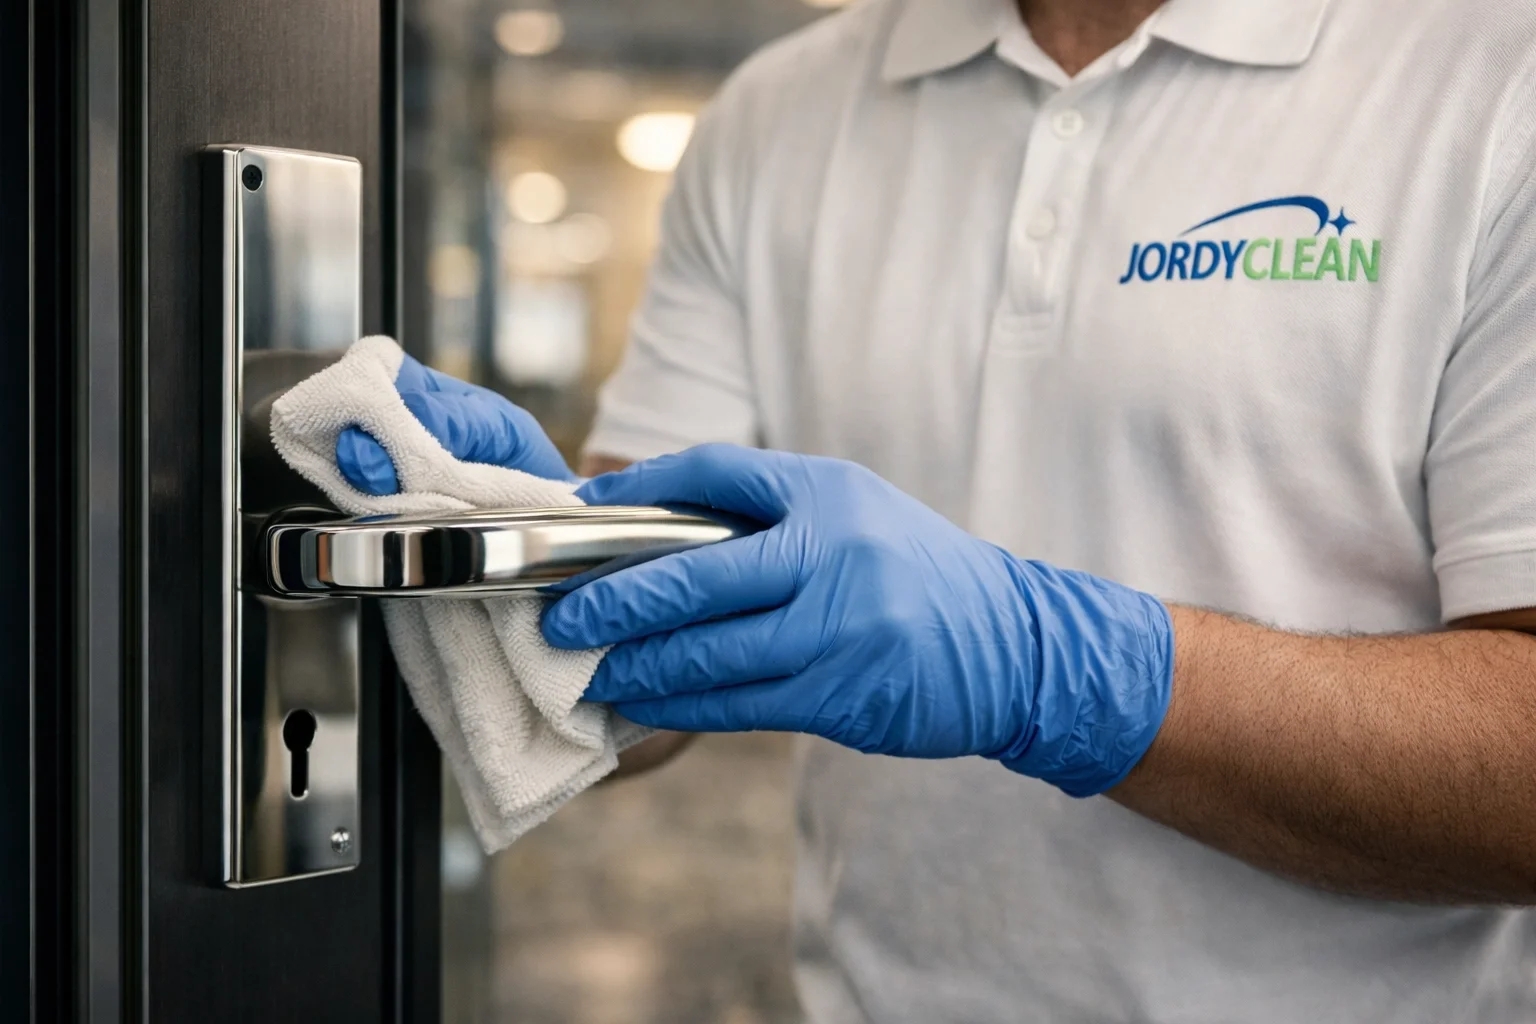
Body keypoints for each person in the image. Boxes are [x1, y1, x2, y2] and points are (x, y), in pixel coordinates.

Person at [339, 0, 1536, 1018]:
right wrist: (539, 558)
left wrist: (1064, 670)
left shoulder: (1490, 80)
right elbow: (626, 689)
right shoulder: (779, 113)